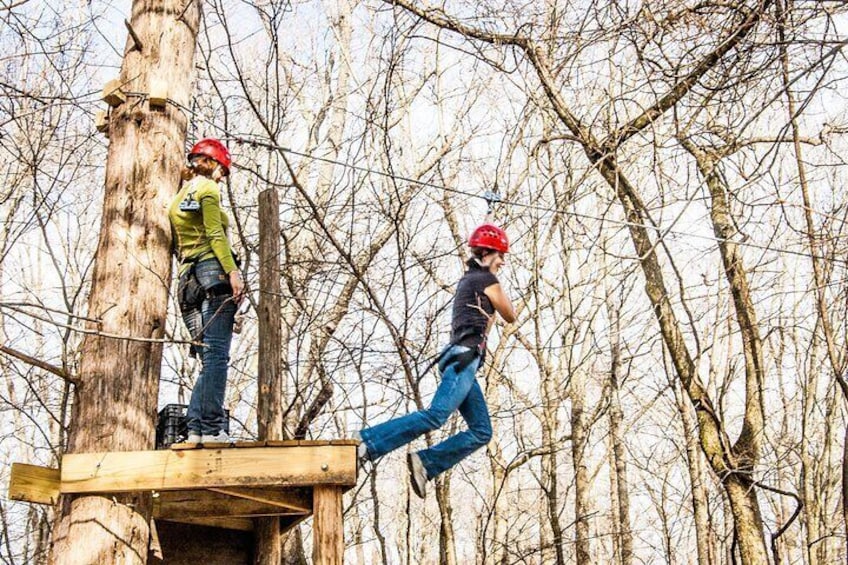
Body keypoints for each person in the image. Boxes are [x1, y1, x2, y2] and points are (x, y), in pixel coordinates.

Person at [357, 223, 517, 497]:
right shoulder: (485, 281)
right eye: (500, 255)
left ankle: (426, 463)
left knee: (481, 431)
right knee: (436, 415)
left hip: (464, 360)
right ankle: (367, 443)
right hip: (463, 359)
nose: (502, 262)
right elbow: (511, 314)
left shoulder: (470, 279)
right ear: (488, 253)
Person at [169, 138, 244, 444]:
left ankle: (196, 429)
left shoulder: (178, 197)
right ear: (214, 165)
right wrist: (233, 272)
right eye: (222, 173)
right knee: (216, 359)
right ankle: (211, 429)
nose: (221, 180)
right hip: (213, 275)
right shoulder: (208, 190)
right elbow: (215, 233)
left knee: (207, 358)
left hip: (187, 282)